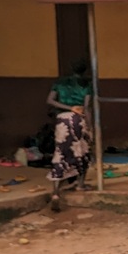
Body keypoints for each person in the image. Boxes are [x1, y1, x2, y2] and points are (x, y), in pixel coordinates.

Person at [46, 61, 93, 211]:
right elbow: (87, 107)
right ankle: (80, 184)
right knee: (83, 152)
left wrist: (68, 107)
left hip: (62, 120)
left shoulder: (60, 82)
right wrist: (90, 127)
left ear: (71, 68)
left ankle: (55, 192)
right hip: (78, 120)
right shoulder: (86, 84)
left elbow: (50, 100)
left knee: (60, 153)